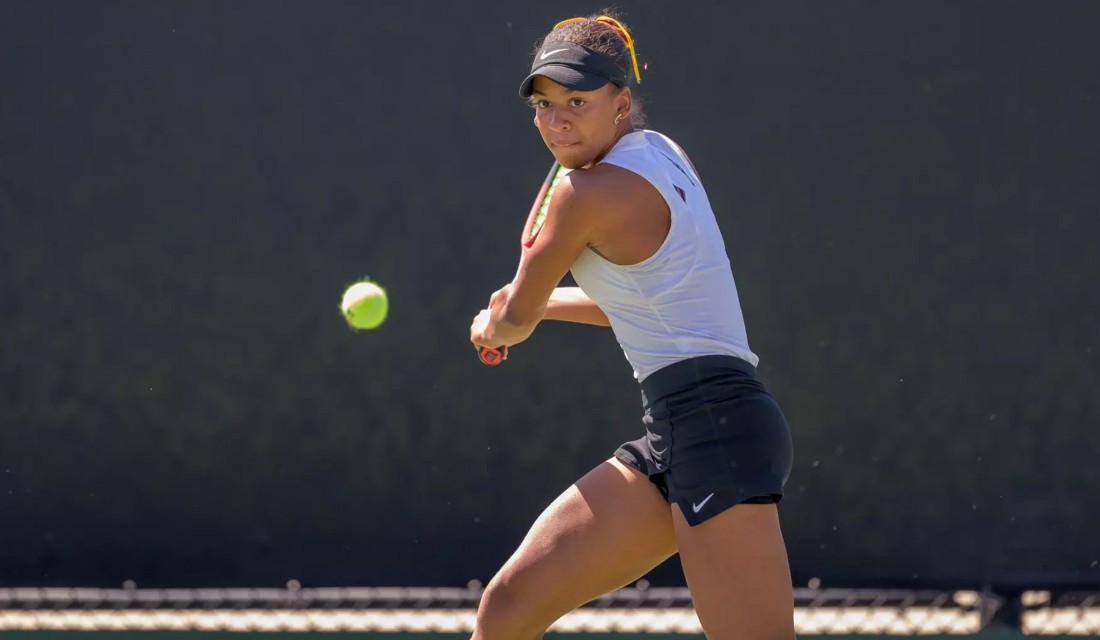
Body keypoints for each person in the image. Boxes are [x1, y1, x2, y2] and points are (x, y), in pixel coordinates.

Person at [468, 11, 795, 640]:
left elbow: (513, 324)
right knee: (508, 609)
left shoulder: (582, 194)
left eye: (577, 101)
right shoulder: (664, 154)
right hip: (680, 432)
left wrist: (494, 323)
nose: (557, 120)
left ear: (620, 102)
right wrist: (540, 301)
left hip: (716, 429)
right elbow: (646, 303)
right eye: (543, 104)